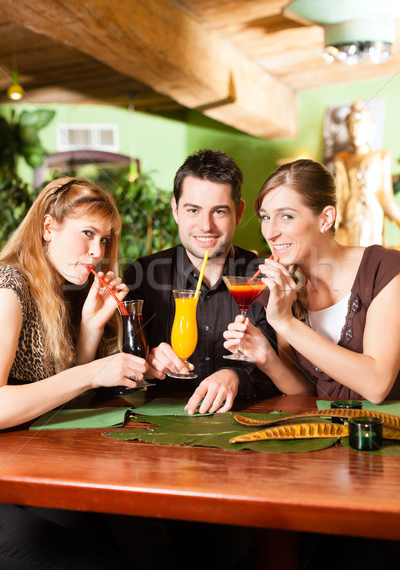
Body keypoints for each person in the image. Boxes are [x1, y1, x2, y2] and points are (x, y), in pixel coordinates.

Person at [0, 176, 148, 569]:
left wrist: (90, 328)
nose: (97, 251)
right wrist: (93, 372)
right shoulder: (8, 287)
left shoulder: (57, 289)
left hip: (25, 471)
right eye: (87, 233)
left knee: (128, 531)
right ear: (48, 228)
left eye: (104, 239)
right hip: (7, 484)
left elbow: (59, 401)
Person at [223, 158, 400, 402]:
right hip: (322, 432)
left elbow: (376, 385)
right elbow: (305, 391)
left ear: (325, 219)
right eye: (265, 217)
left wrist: (285, 322)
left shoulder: (384, 269)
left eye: (286, 216)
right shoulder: (282, 288)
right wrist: (267, 358)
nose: (271, 232)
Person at [124, 149, 278, 415]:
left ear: (239, 213)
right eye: (193, 210)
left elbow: (282, 372)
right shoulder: (143, 275)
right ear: (175, 210)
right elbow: (120, 374)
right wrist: (146, 366)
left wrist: (236, 376)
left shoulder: (263, 277)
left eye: (219, 211)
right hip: (161, 431)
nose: (205, 226)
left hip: (247, 426)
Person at [334, 99, 400, 246]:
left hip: (372, 219)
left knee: (371, 260)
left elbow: (385, 196)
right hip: (349, 219)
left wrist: (397, 219)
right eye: (351, 128)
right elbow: (340, 195)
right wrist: (331, 224)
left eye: (358, 127)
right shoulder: (342, 159)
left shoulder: (381, 157)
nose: (354, 132)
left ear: (370, 128)